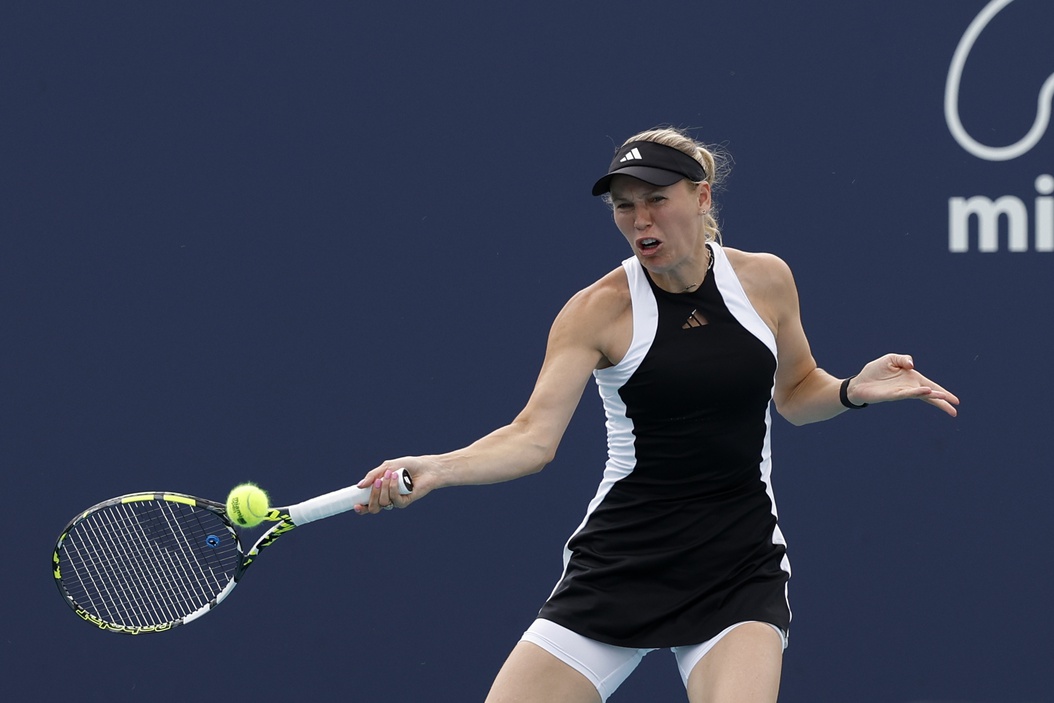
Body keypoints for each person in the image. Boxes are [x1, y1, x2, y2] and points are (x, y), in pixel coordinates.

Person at [354, 126, 959, 703]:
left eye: (656, 200)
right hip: (622, 563)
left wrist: (853, 389)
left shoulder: (766, 281)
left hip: (738, 564)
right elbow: (532, 438)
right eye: (624, 206)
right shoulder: (597, 311)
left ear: (701, 197)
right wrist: (436, 468)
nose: (640, 220)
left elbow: (798, 393)